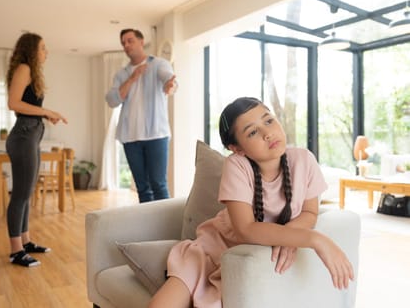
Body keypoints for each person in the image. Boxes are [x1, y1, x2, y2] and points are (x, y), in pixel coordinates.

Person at [149, 97, 354, 308]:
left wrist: (291, 237)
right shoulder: (237, 165)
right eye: (253, 132)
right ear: (237, 148)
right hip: (210, 252)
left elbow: (310, 213)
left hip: (246, 261)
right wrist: (313, 239)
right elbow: (245, 230)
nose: (268, 133)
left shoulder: (304, 160)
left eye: (268, 121)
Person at [5, 32, 68, 267]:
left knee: (27, 191)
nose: (46, 52)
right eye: (42, 48)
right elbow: (14, 104)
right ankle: (15, 251)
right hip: (23, 136)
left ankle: (25, 242)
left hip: (30, 134)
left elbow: (26, 105)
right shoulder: (24, 68)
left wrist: (45, 115)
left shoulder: (30, 71)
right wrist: (47, 112)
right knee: (20, 194)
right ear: (31, 50)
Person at [105, 29, 178, 203]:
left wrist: (170, 86)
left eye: (130, 40)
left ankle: (165, 227)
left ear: (141, 41)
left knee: (159, 184)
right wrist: (132, 78)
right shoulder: (122, 74)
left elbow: (170, 81)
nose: (126, 45)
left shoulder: (158, 64)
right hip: (130, 138)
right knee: (142, 188)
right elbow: (112, 100)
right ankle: (149, 227)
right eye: (123, 43)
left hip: (156, 135)